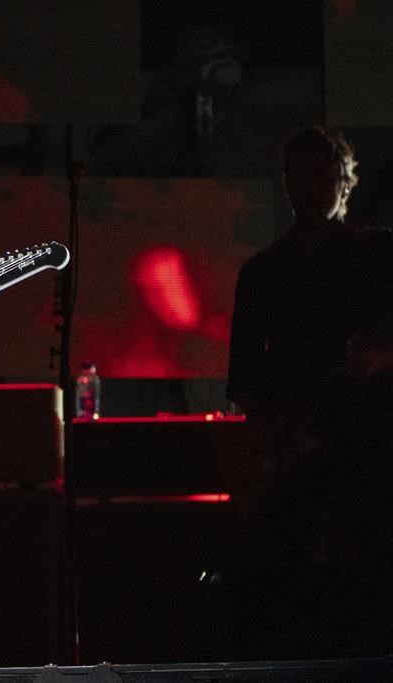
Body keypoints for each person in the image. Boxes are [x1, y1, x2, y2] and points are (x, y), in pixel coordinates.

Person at [225, 125, 393, 658]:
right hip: (297, 462)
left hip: (371, 456)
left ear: (345, 182)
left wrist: (379, 361)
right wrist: (282, 432)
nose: (312, 188)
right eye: (301, 177)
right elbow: (244, 379)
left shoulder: (380, 256)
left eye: (323, 176)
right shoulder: (262, 274)